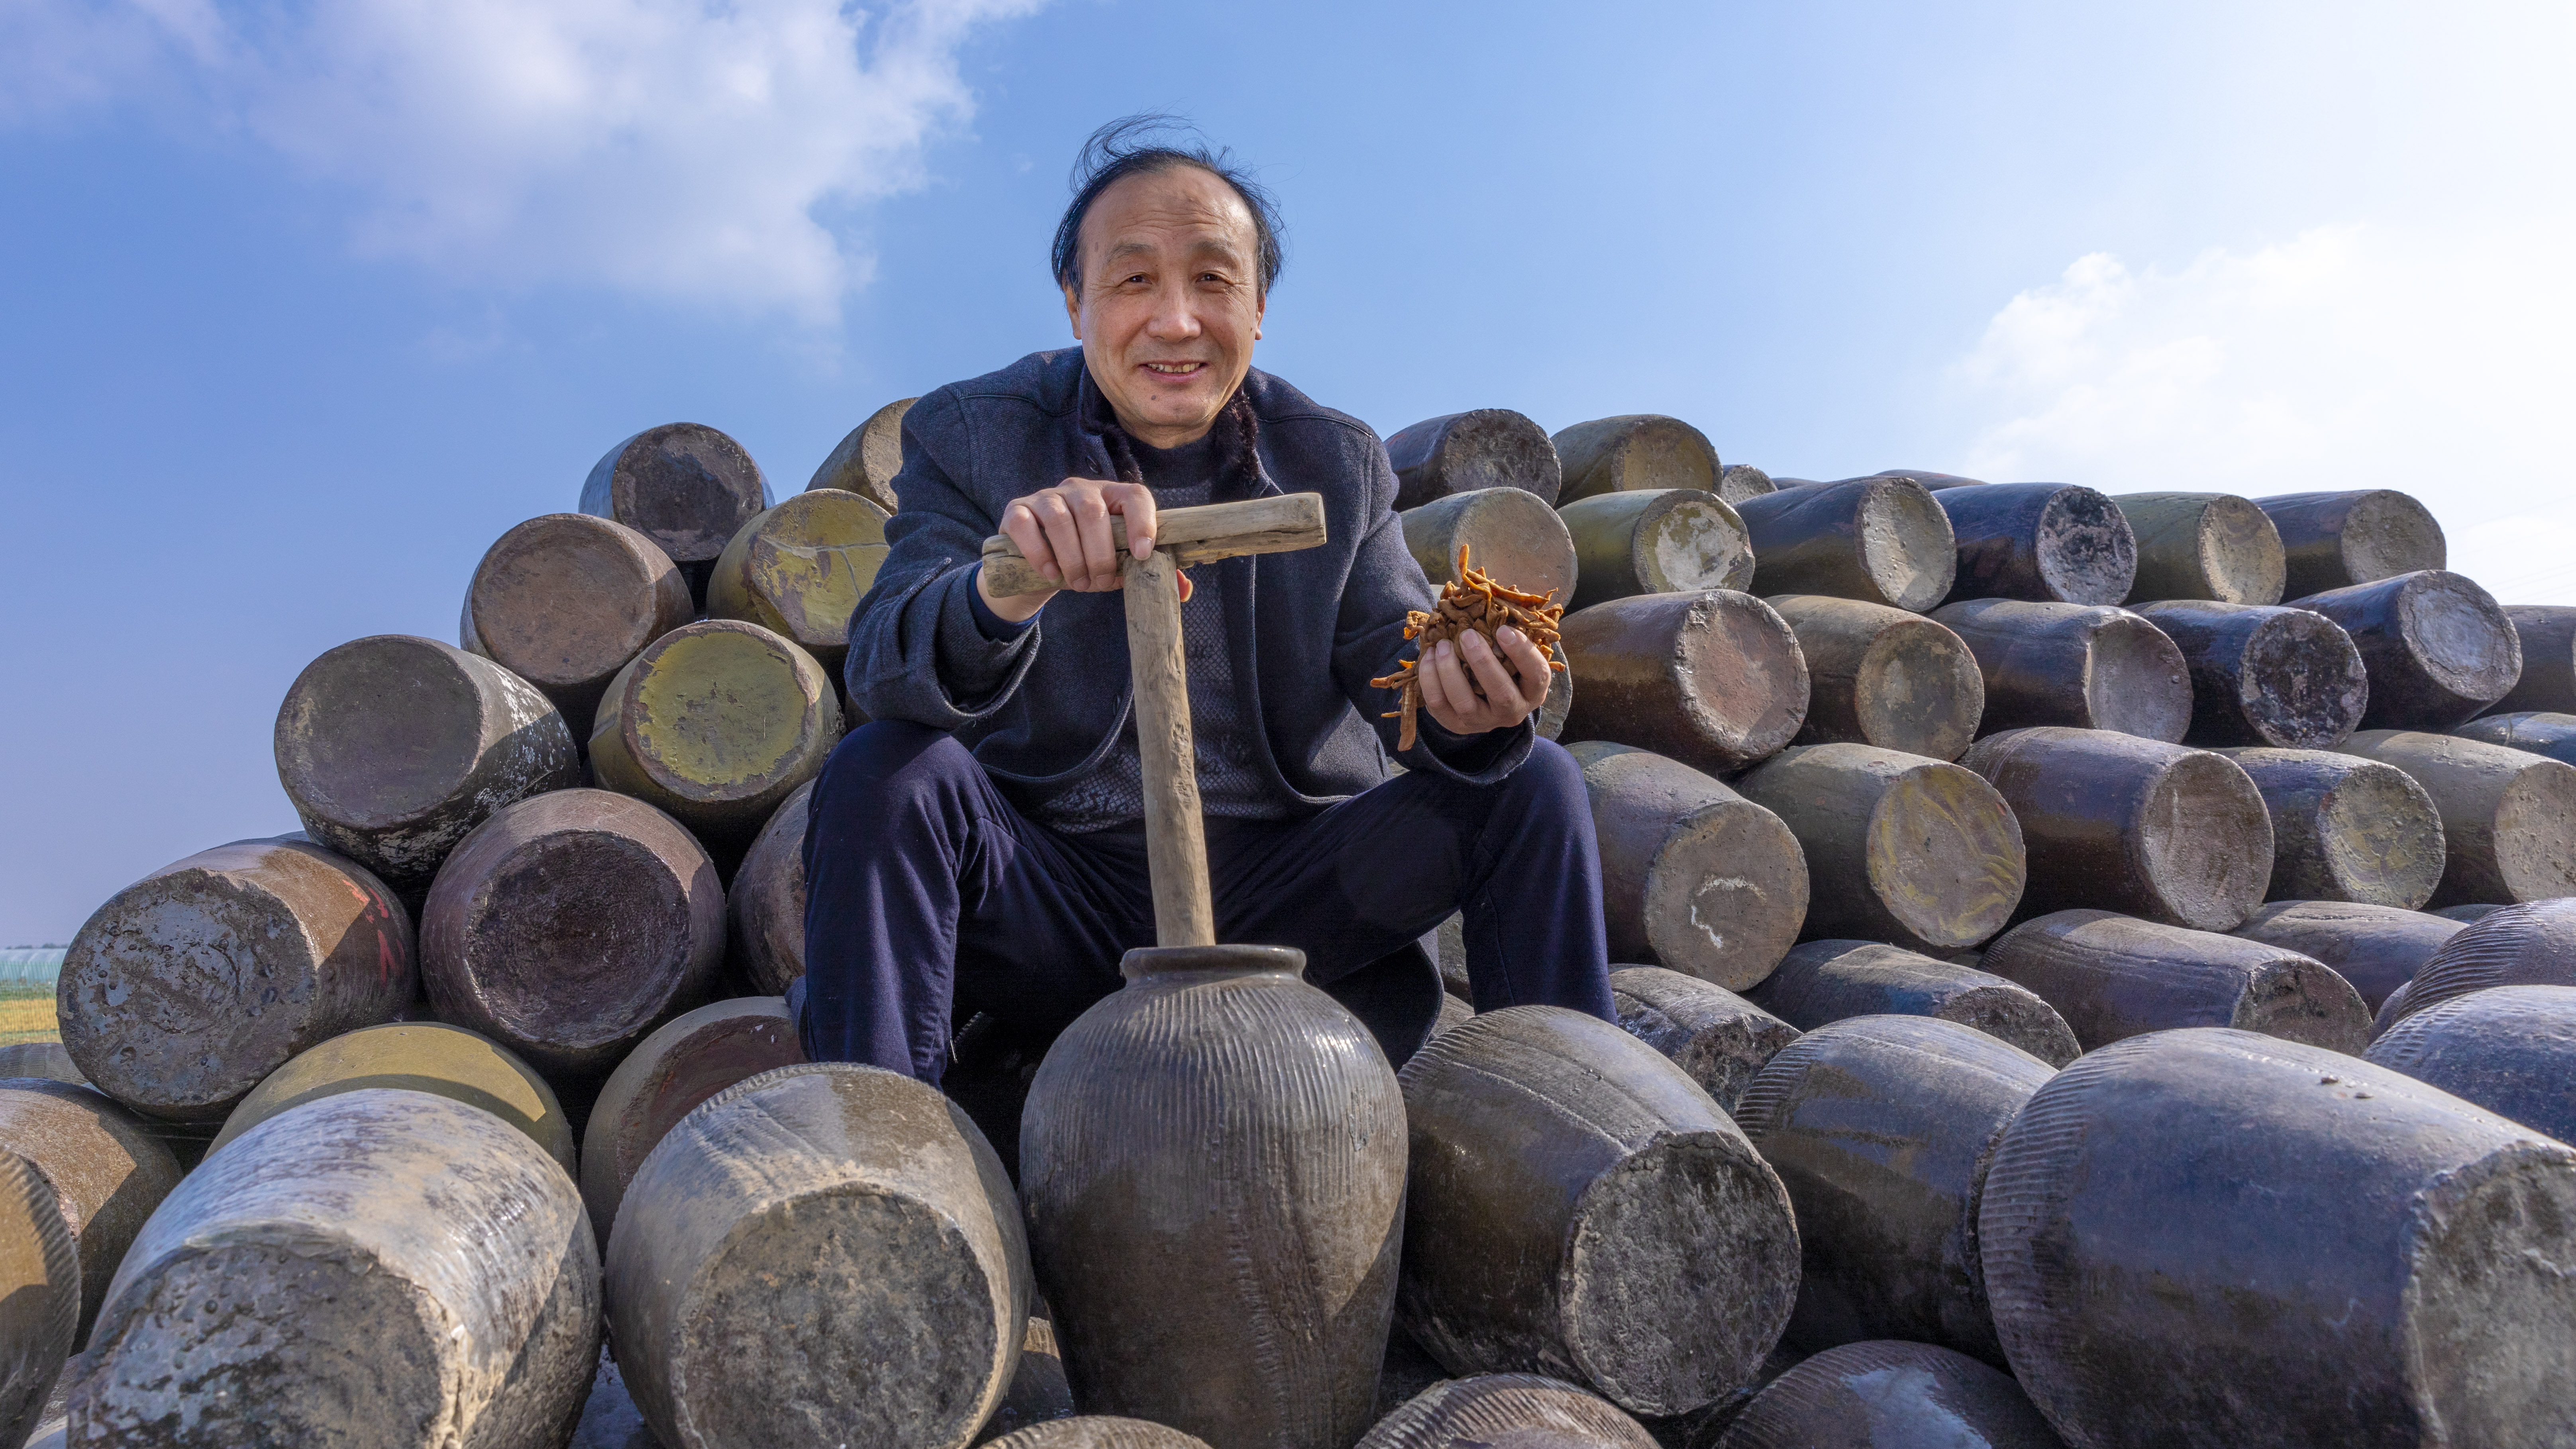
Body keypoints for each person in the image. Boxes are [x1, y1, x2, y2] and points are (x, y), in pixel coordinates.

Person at [800, 117, 1612, 1084]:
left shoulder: (1335, 460)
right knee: (884, 772)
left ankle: (1579, 1126)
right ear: (1075, 303)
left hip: (1292, 897)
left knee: (1532, 784)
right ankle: (889, 1154)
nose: (1176, 321)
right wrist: (1002, 587)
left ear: (1259, 306)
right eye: (1134, 279)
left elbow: (1397, 661)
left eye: (1213, 280)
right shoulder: (973, 435)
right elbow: (886, 658)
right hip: (1057, 894)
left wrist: (1463, 711)